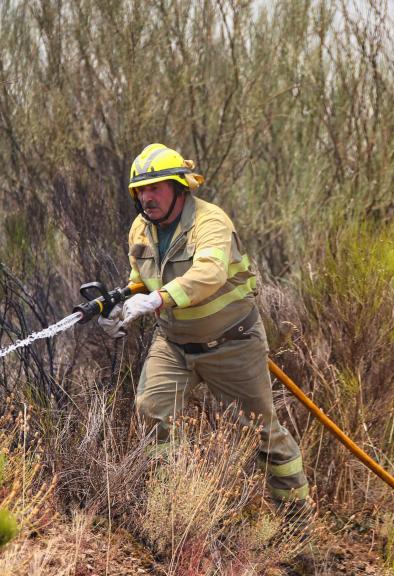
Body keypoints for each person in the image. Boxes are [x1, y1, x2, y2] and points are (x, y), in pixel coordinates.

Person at [98, 143, 313, 530]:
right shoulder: (139, 229)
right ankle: (175, 515)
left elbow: (210, 273)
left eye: (157, 187)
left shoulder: (210, 222)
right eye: (141, 190)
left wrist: (159, 298)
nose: (147, 197)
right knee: (152, 411)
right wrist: (119, 304)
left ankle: (299, 530)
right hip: (174, 344)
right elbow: (138, 278)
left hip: (232, 343)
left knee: (262, 434)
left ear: (180, 188)